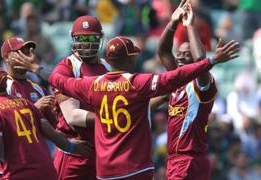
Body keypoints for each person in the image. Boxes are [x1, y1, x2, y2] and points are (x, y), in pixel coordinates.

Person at [15, 33, 239, 179]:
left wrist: (36, 68)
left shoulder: (93, 85)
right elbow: (174, 77)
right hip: (136, 167)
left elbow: (59, 81)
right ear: (130, 60)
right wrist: (211, 61)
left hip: (105, 170)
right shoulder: (138, 83)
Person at [11, 15, 109, 179]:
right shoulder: (66, 68)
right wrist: (110, 118)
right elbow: (72, 116)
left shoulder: (106, 66)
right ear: (73, 38)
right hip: (76, 154)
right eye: (81, 38)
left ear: (100, 38)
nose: (86, 43)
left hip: (102, 150)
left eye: (92, 37)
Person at [157, 1, 239, 179]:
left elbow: (201, 59)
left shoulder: (201, 83)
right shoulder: (176, 80)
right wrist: (172, 23)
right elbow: (163, 51)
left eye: (186, 55)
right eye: (179, 53)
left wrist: (190, 26)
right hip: (177, 159)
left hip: (188, 160)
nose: (180, 57)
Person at [0, 62, 92, 180]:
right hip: (48, 173)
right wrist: (71, 146)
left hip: (19, 175)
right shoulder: (26, 103)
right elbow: (52, 134)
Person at [0, 36, 56, 126]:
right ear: (7, 57)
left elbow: (54, 125)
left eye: (27, 52)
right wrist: (35, 108)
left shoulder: (39, 89)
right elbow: (8, 124)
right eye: (20, 52)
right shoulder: (3, 88)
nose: (26, 57)